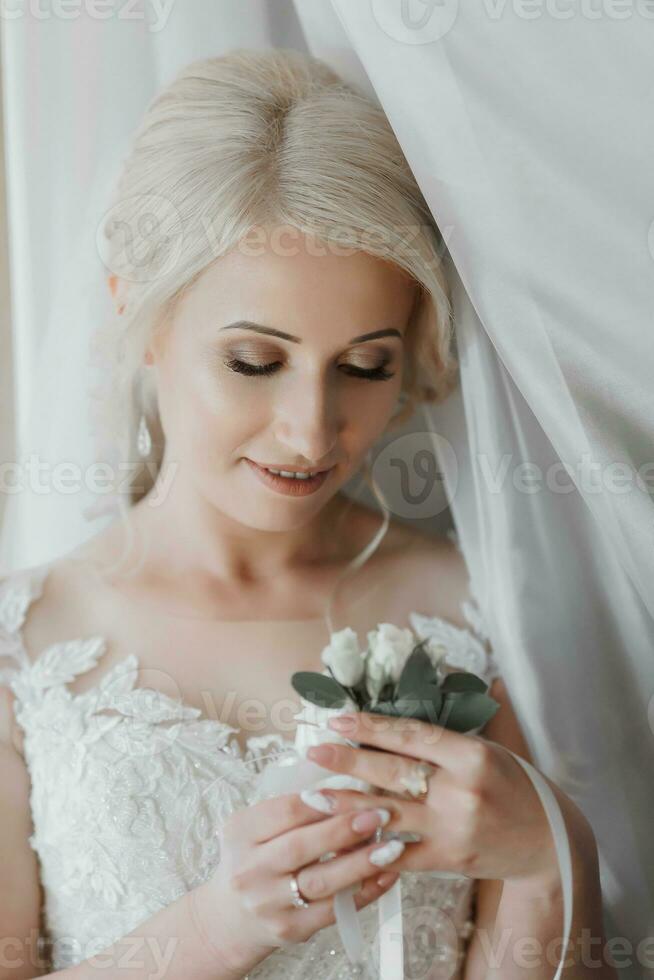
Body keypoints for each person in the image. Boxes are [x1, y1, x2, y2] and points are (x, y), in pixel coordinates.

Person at [0, 48, 613, 980]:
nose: (310, 431)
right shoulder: (26, 640)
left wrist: (548, 858)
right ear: (141, 314)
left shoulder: (483, 607)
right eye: (254, 360)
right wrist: (218, 927)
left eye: (365, 366)